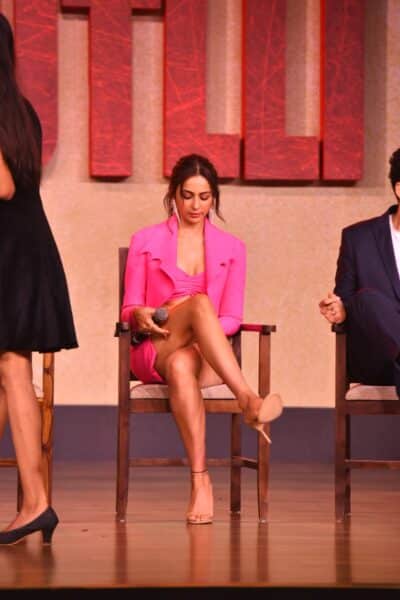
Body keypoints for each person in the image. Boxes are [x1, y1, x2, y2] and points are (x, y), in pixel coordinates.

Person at [121, 153, 283, 525]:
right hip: (156, 344)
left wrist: (199, 326)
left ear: (214, 198)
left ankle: (200, 482)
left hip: (205, 356)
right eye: (188, 195)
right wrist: (141, 314)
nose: (196, 205)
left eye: (205, 197)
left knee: (186, 355)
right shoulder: (144, 241)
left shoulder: (233, 248)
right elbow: (129, 307)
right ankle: (248, 399)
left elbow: (232, 318)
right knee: (198, 305)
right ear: (173, 195)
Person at [0, 14, 78, 545]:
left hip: (10, 254)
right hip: (24, 249)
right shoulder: (20, 109)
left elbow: (3, 185)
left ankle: (36, 502)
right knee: (10, 369)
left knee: (11, 366)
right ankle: (35, 502)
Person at [319, 148, 400, 396]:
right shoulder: (359, 238)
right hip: (378, 358)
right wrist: (339, 310)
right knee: (368, 299)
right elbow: (345, 300)